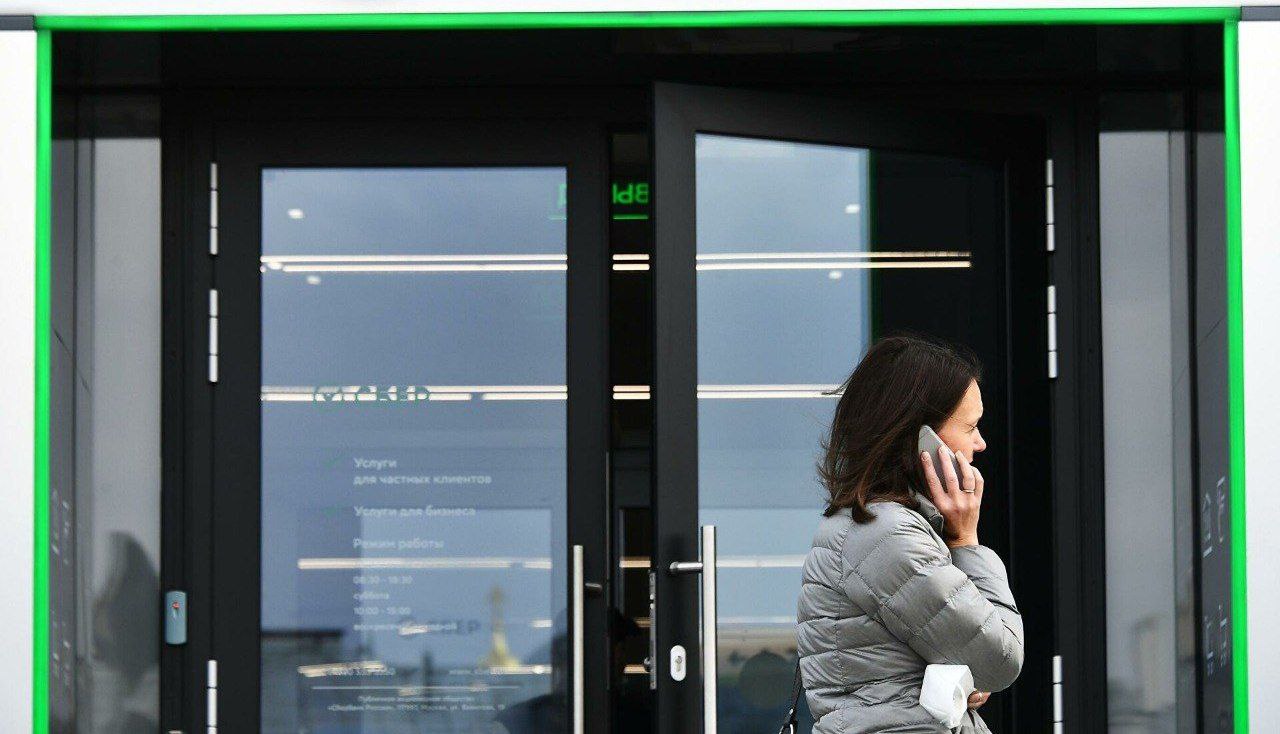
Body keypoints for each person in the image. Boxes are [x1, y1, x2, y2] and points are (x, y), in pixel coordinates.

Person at [796, 334, 1023, 733]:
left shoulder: (878, 527)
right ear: (921, 439)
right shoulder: (888, 536)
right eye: (970, 426)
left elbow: (972, 663)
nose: (980, 443)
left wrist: (965, 674)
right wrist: (967, 541)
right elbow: (1000, 658)